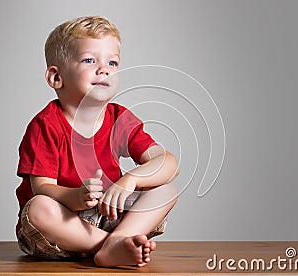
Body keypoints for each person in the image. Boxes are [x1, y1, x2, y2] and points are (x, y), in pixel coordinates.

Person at [15, 15, 179, 268]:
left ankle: (117, 241)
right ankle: (111, 246)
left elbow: (167, 163)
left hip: (108, 215)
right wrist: (76, 197)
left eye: (112, 63)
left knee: (166, 189)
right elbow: (42, 188)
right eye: (89, 60)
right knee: (38, 207)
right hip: (62, 228)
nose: (104, 69)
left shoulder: (119, 119)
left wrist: (131, 179)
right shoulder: (45, 125)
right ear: (56, 78)